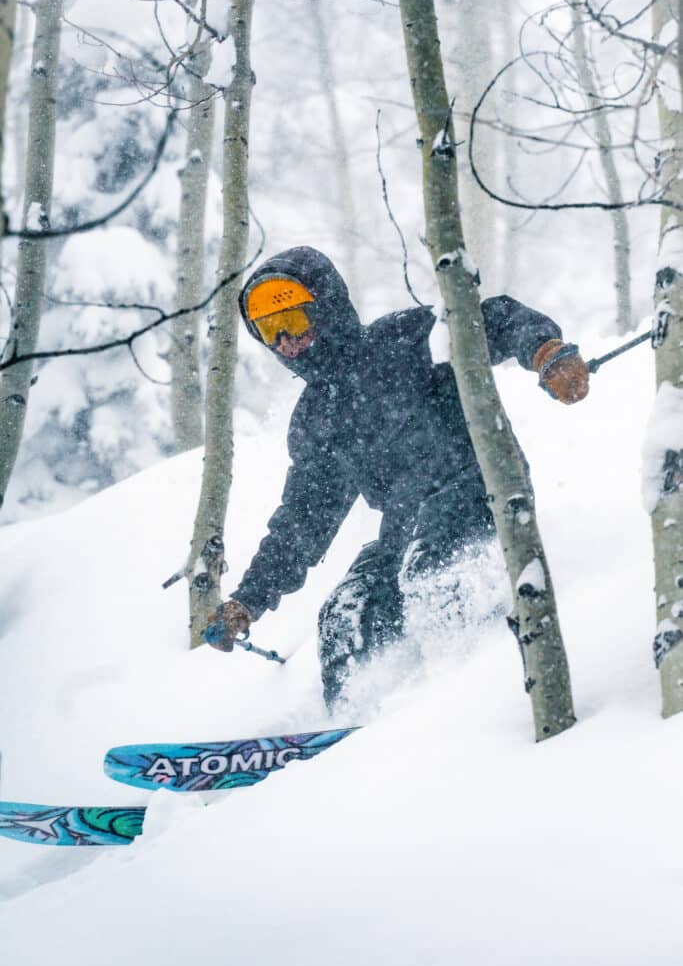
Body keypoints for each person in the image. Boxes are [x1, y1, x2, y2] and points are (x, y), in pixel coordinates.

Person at [204, 246, 589, 709]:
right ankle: (355, 723)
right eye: (270, 330)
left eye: (296, 322)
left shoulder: (405, 340)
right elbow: (301, 524)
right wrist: (249, 600)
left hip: (480, 494)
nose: (286, 341)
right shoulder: (317, 419)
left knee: (429, 575)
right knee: (344, 614)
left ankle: (464, 702)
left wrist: (544, 350)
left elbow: (491, 320)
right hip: (403, 531)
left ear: (325, 309)